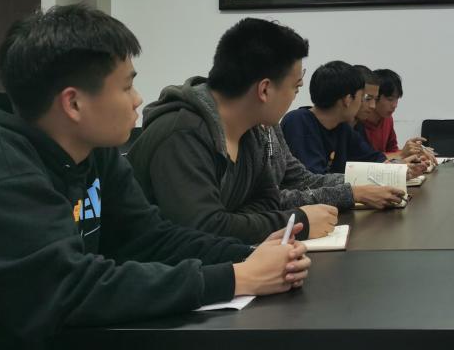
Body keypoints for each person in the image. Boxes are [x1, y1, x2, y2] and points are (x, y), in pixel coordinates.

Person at [0, 5, 309, 350]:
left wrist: (248, 254)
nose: (138, 99)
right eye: (126, 86)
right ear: (73, 103)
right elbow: (66, 289)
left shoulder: (93, 151)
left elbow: (149, 237)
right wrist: (235, 278)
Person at [128, 18, 343, 245]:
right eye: (295, 87)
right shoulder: (182, 134)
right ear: (265, 90)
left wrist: (231, 223)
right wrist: (299, 221)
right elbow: (201, 230)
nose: (294, 96)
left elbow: (268, 200)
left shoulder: (252, 130)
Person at [280, 62, 421, 194]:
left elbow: (373, 160)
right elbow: (313, 183)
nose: (369, 105)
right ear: (348, 99)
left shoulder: (342, 127)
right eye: (363, 97)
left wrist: (400, 169)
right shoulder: (298, 122)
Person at [357, 68, 434, 161]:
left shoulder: (388, 119)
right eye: (390, 99)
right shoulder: (356, 122)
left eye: (397, 99)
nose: (395, 105)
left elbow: (392, 152)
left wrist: (413, 154)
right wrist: (402, 154)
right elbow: (366, 158)